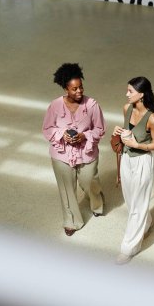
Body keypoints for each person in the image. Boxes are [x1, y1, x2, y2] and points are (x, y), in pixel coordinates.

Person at [42, 63, 106, 236]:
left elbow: (100, 129)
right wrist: (63, 135)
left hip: (86, 152)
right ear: (65, 89)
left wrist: (84, 136)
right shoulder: (55, 106)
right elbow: (47, 129)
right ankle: (71, 221)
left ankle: (97, 201)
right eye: (74, 89)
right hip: (62, 154)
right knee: (66, 188)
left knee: (89, 181)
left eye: (81, 87)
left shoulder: (92, 105)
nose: (79, 92)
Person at [113, 77, 154, 264]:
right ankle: (147, 222)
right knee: (131, 200)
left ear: (141, 95)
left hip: (142, 161)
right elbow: (127, 131)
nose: (127, 94)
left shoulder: (152, 118)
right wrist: (119, 131)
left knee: (138, 205)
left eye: (130, 91)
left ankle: (129, 247)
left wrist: (136, 144)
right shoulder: (126, 109)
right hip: (126, 159)